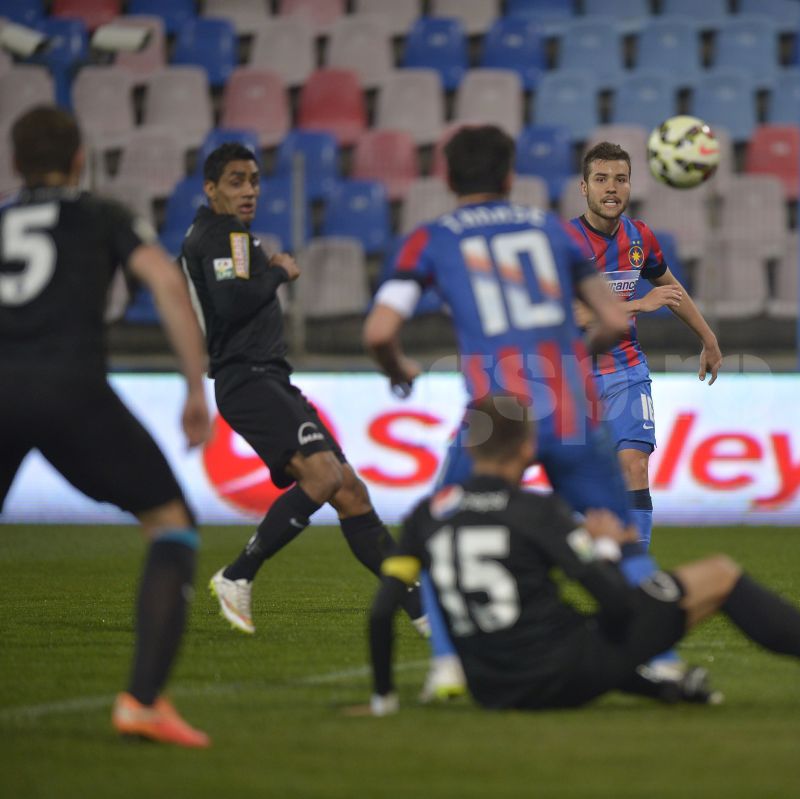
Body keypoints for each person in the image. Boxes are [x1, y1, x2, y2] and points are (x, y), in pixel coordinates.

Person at [363, 394, 800, 713]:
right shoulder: (540, 512)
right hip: (561, 675)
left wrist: (385, 700)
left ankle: (667, 687)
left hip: (492, 687)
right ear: (529, 449)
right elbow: (615, 607)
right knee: (720, 575)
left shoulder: (423, 515)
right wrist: (607, 549)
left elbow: (380, 610)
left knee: (585, 635)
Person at [363, 125, 676, 701]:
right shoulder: (552, 230)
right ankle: (663, 658)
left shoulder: (429, 239)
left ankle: (448, 664)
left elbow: (380, 329)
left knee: (440, 528)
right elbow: (611, 320)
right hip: (570, 407)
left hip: (495, 417)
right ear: (510, 178)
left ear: (447, 177)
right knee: (623, 538)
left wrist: (397, 368)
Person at [0, 106, 211, 747]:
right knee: (171, 525)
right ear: (79, 159)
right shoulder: (100, 213)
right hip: (71, 388)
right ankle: (143, 703)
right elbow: (166, 285)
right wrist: (193, 387)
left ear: (15, 162)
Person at [181, 143, 423, 635]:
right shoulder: (224, 234)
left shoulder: (217, 234)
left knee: (350, 492)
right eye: (235, 181)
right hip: (247, 377)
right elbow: (230, 304)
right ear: (210, 189)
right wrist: (278, 271)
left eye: (252, 179)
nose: (249, 190)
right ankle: (237, 573)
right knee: (323, 477)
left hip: (265, 378)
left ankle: (422, 611)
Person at [569, 141, 722, 550]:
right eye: (601, 179)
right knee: (575, 486)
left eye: (620, 179)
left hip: (626, 371)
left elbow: (670, 289)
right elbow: (564, 315)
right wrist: (636, 303)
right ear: (584, 187)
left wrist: (707, 337)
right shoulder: (565, 242)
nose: (611, 188)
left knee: (635, 467)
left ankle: (637, 571)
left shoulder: (640, 237)